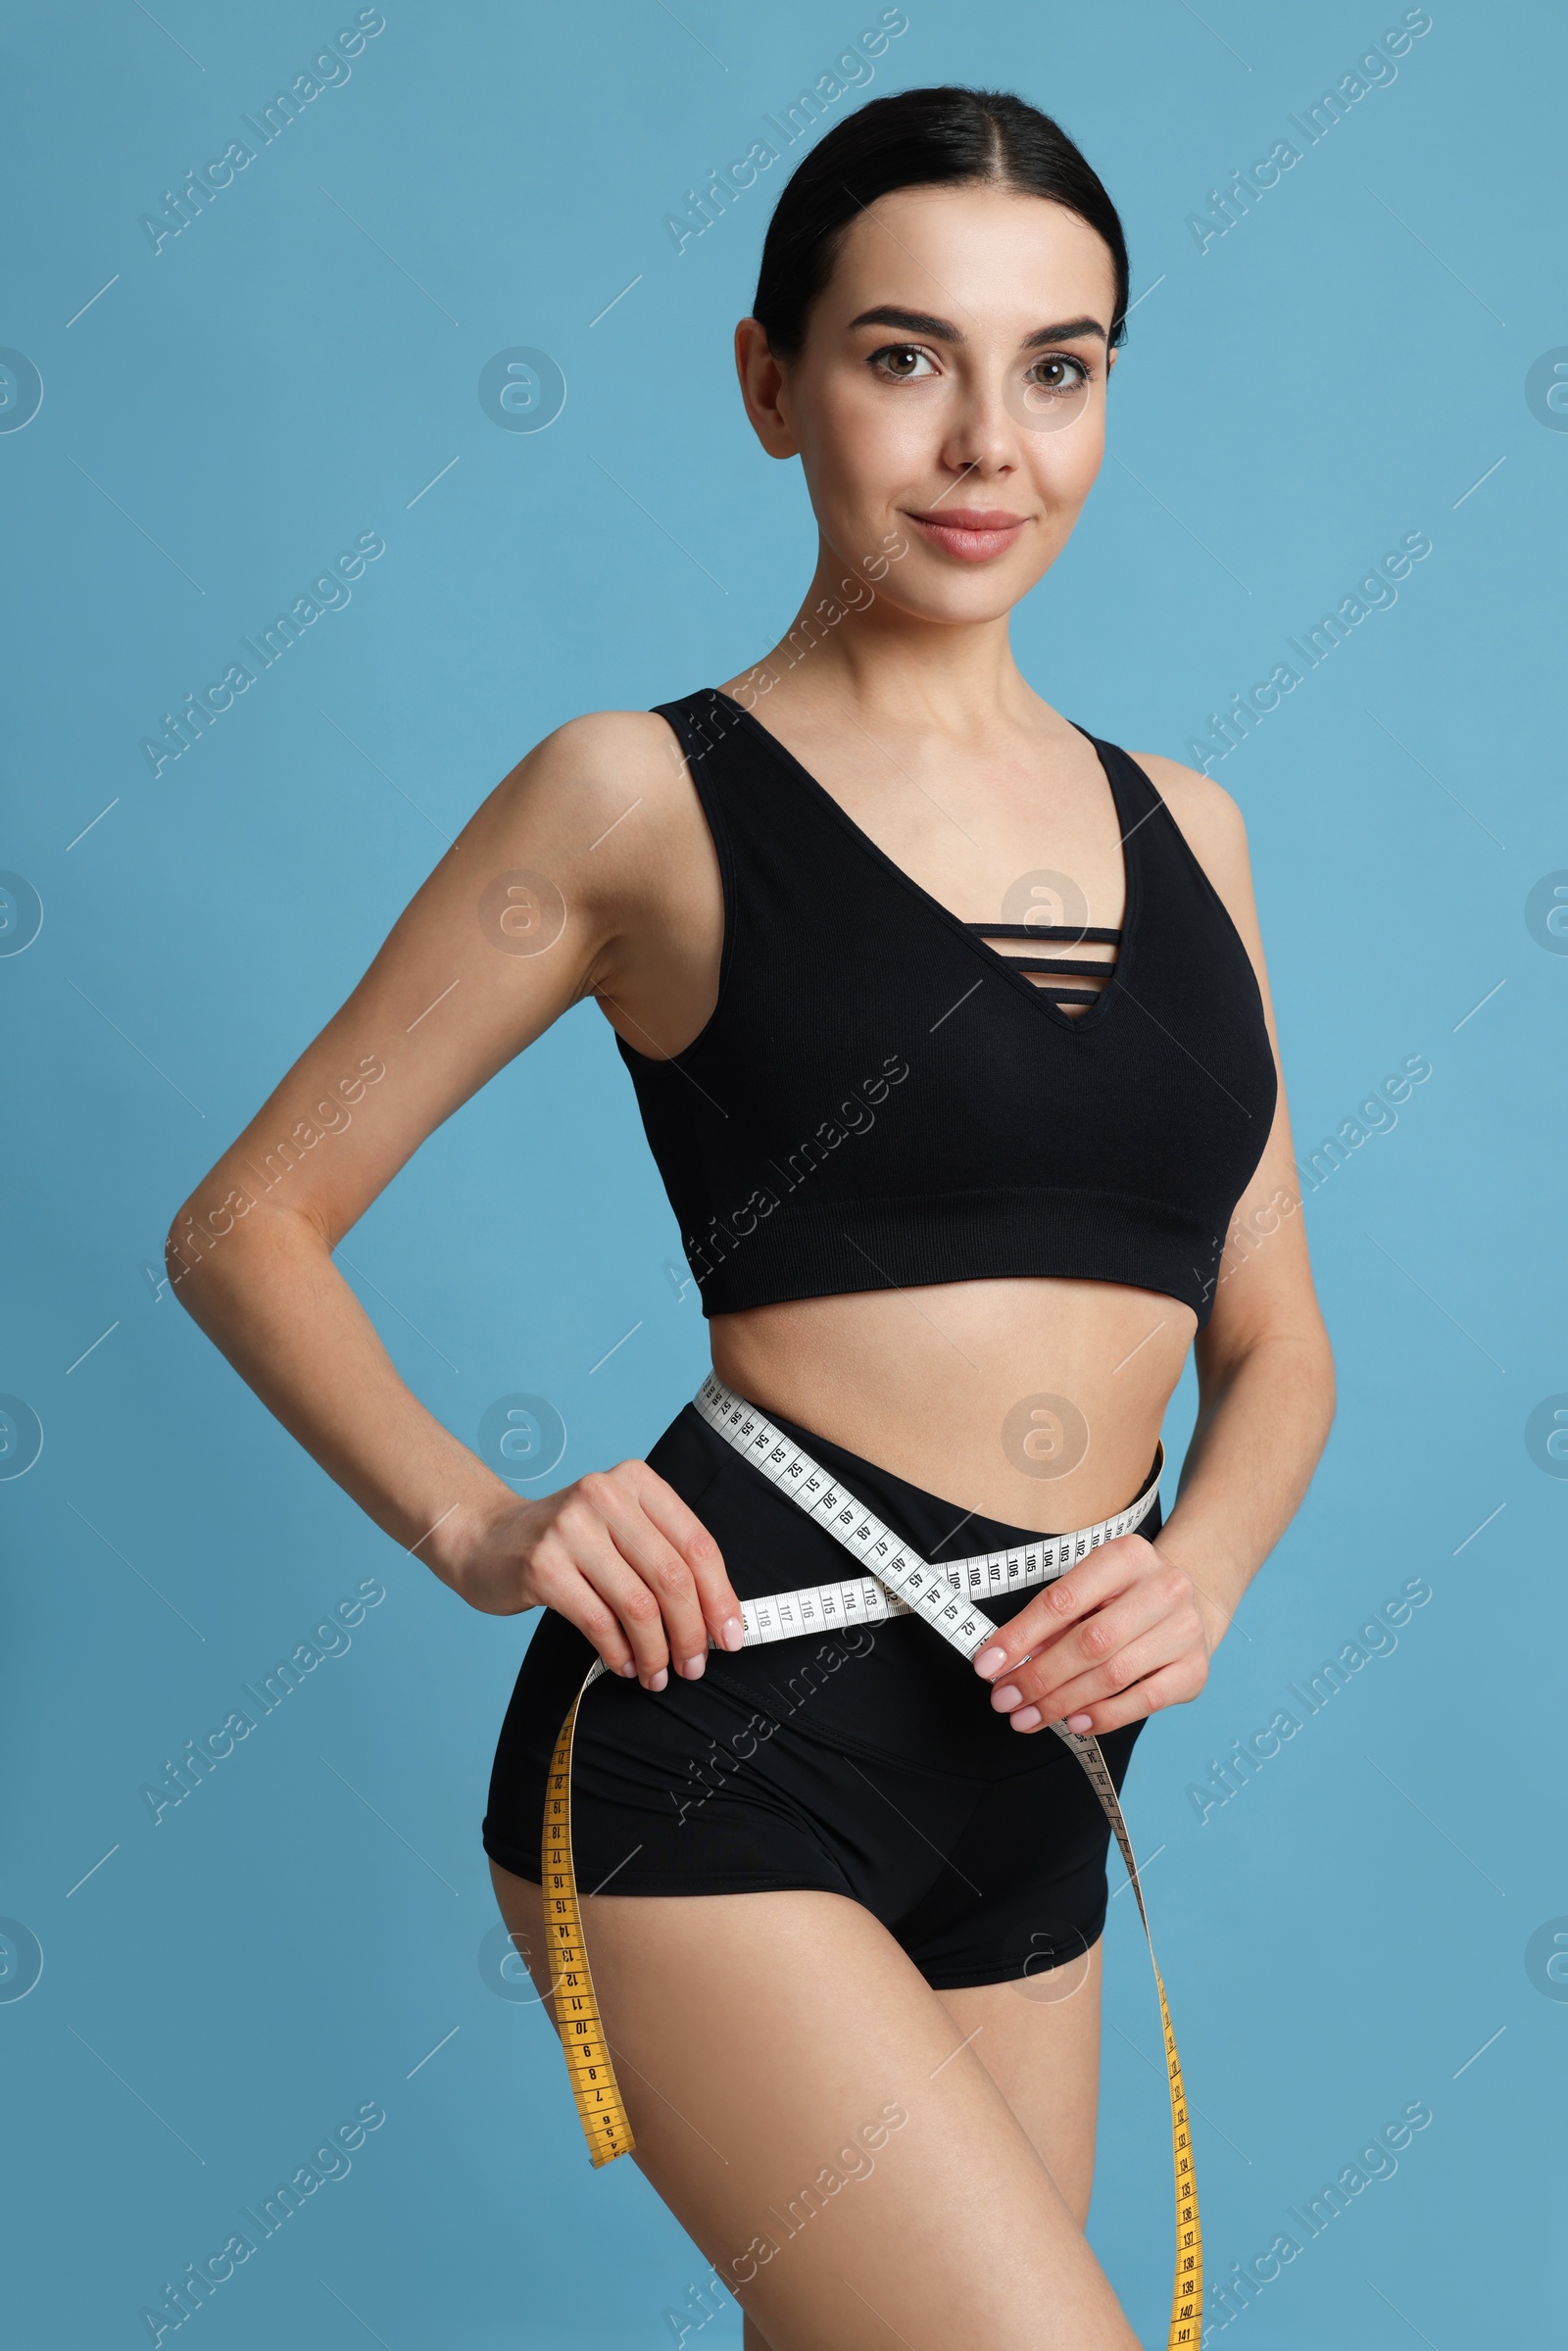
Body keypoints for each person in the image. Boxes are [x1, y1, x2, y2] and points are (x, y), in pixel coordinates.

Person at [169, 83, 1333, 2351]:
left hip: (1038, 1774)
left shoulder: (1191, 827)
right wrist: (480, 1527)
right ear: (767, 382)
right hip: (723, 1740)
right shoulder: (640, 795)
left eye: (1057, 365)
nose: (986, 440)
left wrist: (1200, 1572)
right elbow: (249, 1222)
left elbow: (1271, 1339)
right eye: (903, 356)